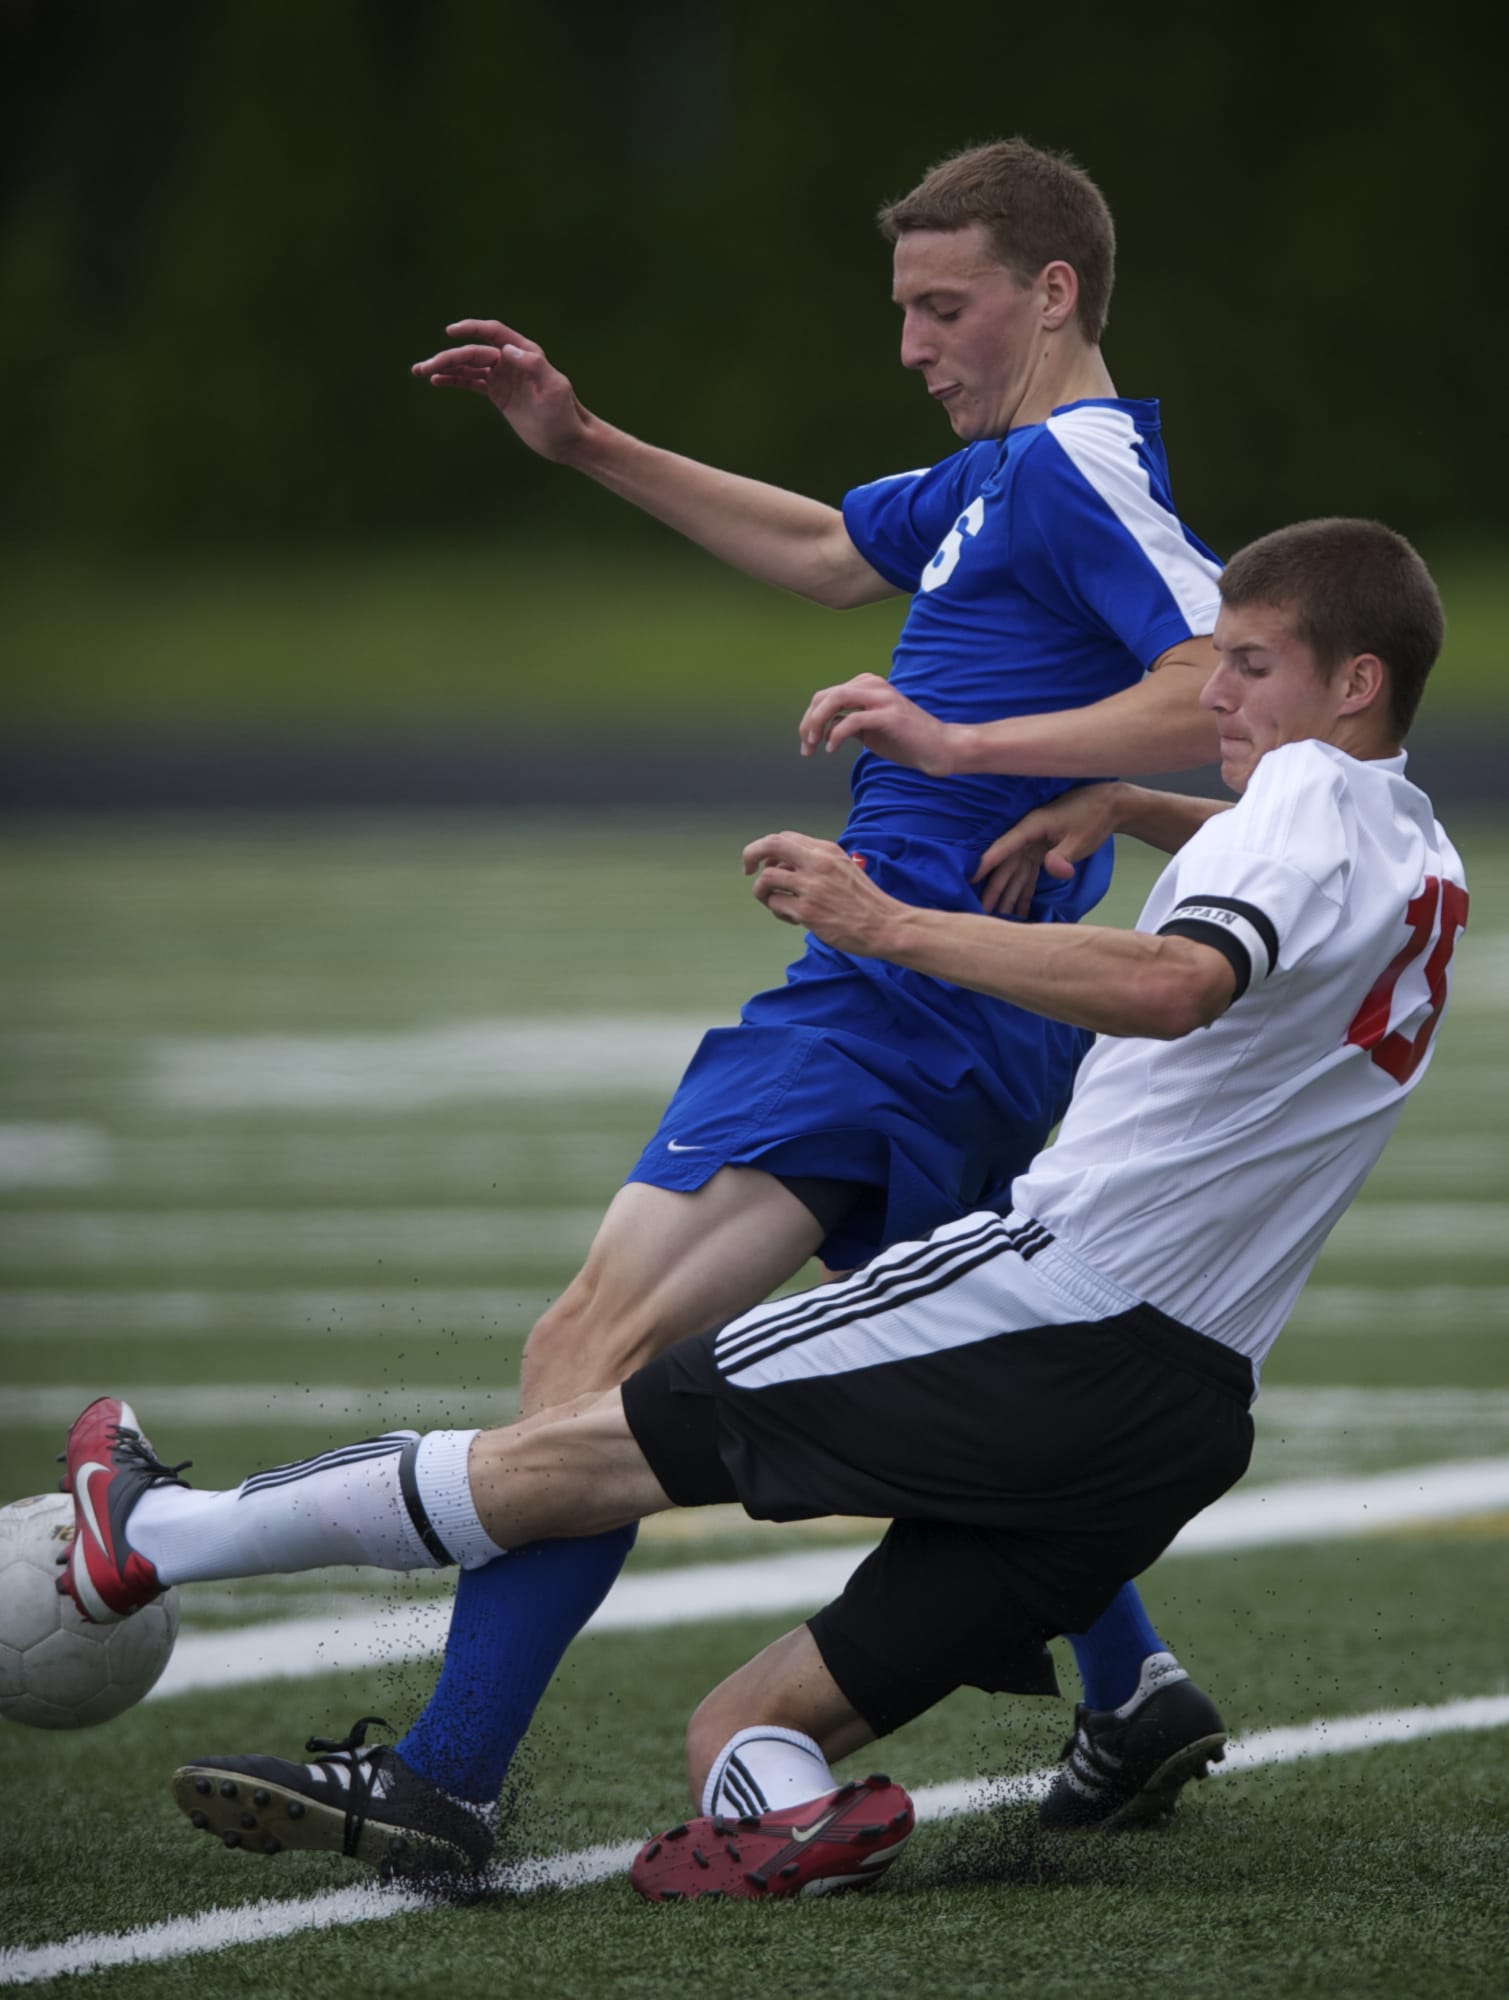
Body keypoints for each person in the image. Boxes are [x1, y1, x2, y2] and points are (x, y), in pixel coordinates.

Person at [64, 519, 1467, 1898]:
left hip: (1049, 1310)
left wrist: (884, 923)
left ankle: (157, 1536)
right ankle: (819, 1818)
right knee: (741, 1735)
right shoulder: (1420, 852)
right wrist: (1129, 805)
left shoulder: (1293, 799)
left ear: (1352, 685)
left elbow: (1178, 984)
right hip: (1180, 1421)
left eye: (1250, 666)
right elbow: (1289, 860)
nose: (1209, 692)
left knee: (576, 1447)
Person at [363, 135, 1231, 1858]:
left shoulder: (1077, 470)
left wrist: (980, 749)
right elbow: (833, 549)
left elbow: (1222, 681)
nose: (910, 344)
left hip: (894, 1005)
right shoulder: (994, 479)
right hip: (967, 1020)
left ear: (1051, 294)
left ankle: (444, 1779)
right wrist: (583, 438)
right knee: (959, 1397)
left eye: (943, 306)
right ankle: (1130, 1696)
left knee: (591, 1353)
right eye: (901, 308)